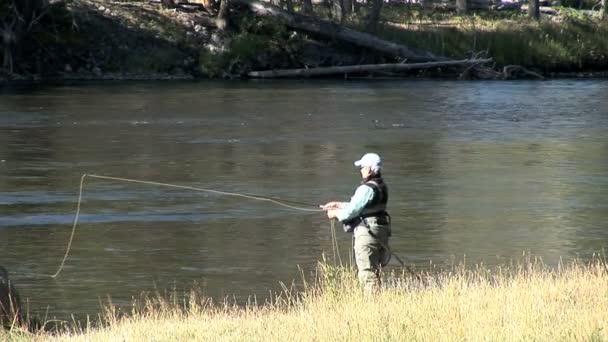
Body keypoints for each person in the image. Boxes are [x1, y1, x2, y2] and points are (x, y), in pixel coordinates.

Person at [321, 153, 392, 290]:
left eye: (363, 167)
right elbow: (364, 207)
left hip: (368, 233)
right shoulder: (382, 186)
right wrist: (339, 204)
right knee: (375, 270)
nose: (361, 170)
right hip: (381, 231)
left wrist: (334, 213)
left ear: (370, 169)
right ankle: (378, 303)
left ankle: (371, 307)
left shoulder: (365, 189)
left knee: (367, 273)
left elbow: (351, 212)